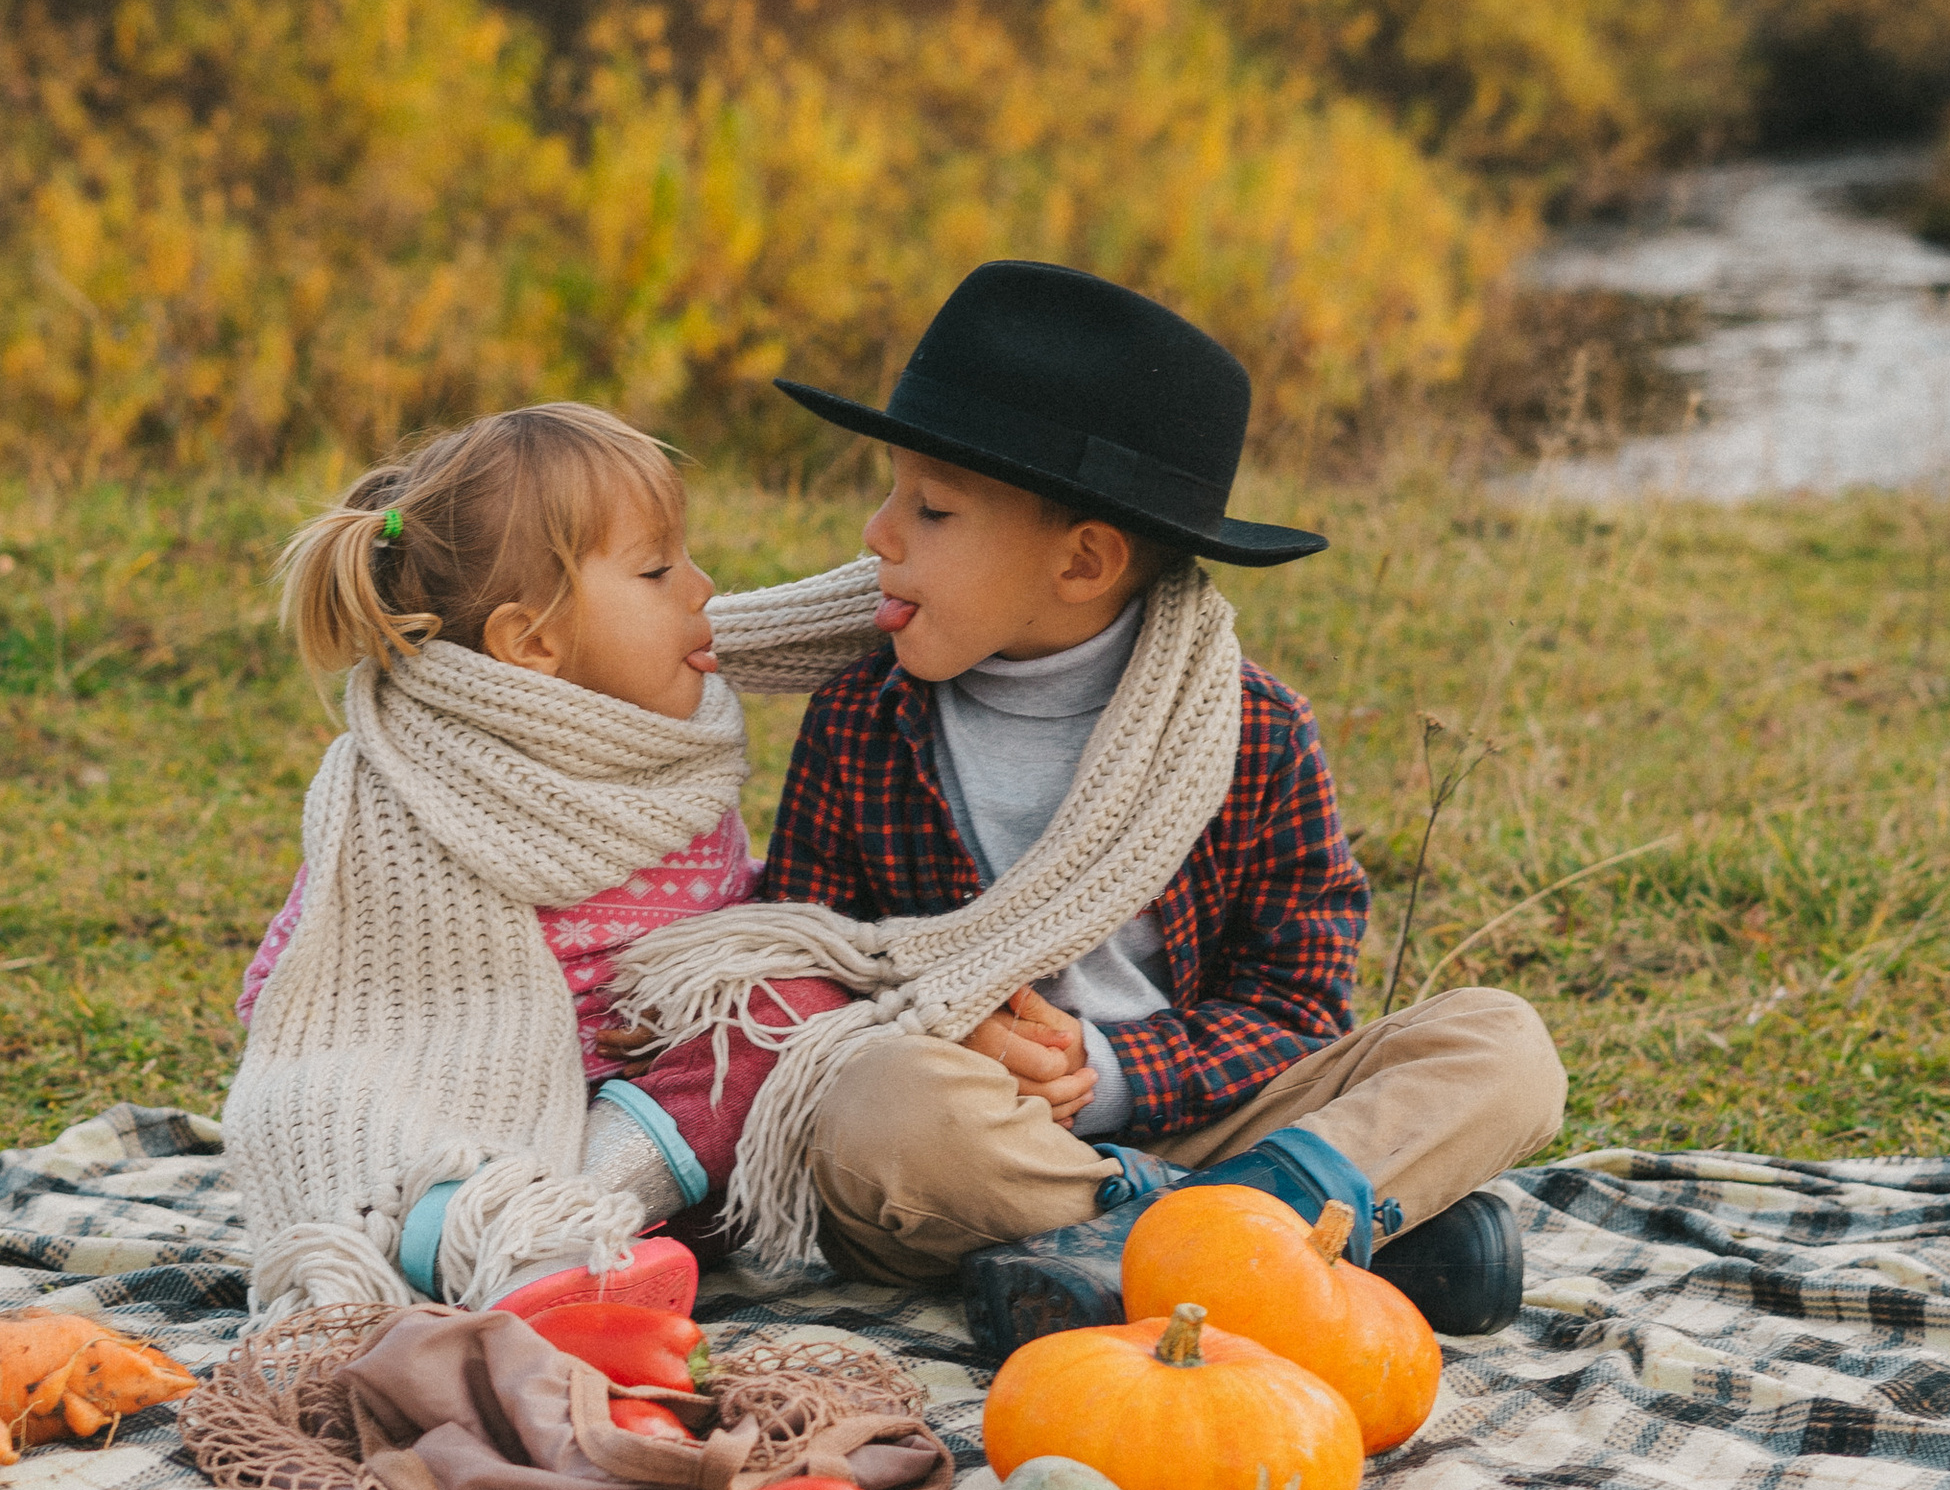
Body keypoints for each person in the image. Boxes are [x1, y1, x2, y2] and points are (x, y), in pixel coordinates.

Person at [603, 264, 1565, 1359]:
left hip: (1212, 1111)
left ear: (1084, 560)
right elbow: (804, 952)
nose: (877, 532)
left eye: (931, 508)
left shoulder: (1254, 729)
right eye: (888, 493)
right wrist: (940, 1016)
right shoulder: (864, 714)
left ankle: (1152, 1246)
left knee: (1504, 1044)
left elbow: (1298, 1009)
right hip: (989, 1130)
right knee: (878, 1112)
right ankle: (1284, 1244)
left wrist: (1113, 1072)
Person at [222, 404, 881, 1319]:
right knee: (393, 1171)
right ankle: (510, 1246)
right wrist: (412, 1052)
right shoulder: (406, 788)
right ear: (530, 642)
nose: (702, 587)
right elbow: (300, 984)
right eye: (657, 570)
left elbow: (724, 925)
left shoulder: (671, 758)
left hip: (661, 1148)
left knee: (792, 1006)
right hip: (471, 1134)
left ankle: (567, 1231)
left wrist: (700, 1002)